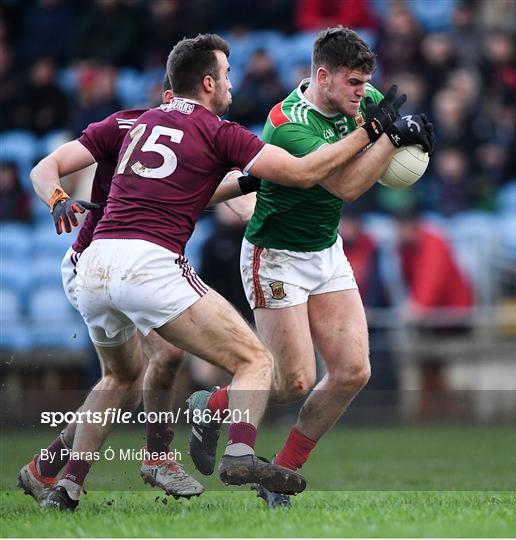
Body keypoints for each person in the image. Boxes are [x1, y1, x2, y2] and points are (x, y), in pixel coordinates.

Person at [30, 32, 409, 510]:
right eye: (227, 75)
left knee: (132, 373)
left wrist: (58, 198)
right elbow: (303, 173)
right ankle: (233, 453)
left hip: (92, 260)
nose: (233, 84)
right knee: (256, 362)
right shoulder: (222, 131)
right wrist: (373, 135)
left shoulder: (135, 121)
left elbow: (57, 168)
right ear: (208, 84)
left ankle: (63, 480)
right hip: (150, 263)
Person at [186, 27, 434, 508]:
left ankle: (280, 472)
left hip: (325, 250)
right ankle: (209, 407)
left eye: (367, 83)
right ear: (323, 76)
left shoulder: (363, 101)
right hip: (276, 256)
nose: (364, 94)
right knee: (288, 383)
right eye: (354, 84)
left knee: (353, 371)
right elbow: (345, 185)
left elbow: (386, 145)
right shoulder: (286, 123)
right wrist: (386, 137)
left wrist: (415, 142)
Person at [22, 73, 262, 508]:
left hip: (133, 268)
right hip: (97, 262)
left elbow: (213, 194)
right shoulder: (124, 125)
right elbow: (43, 168)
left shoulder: (201, 135)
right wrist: (58, 197)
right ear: (167, 98)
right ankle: (155, 457)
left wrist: (255, 196)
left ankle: (52, 468)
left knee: (129, 376)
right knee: (142, 368)